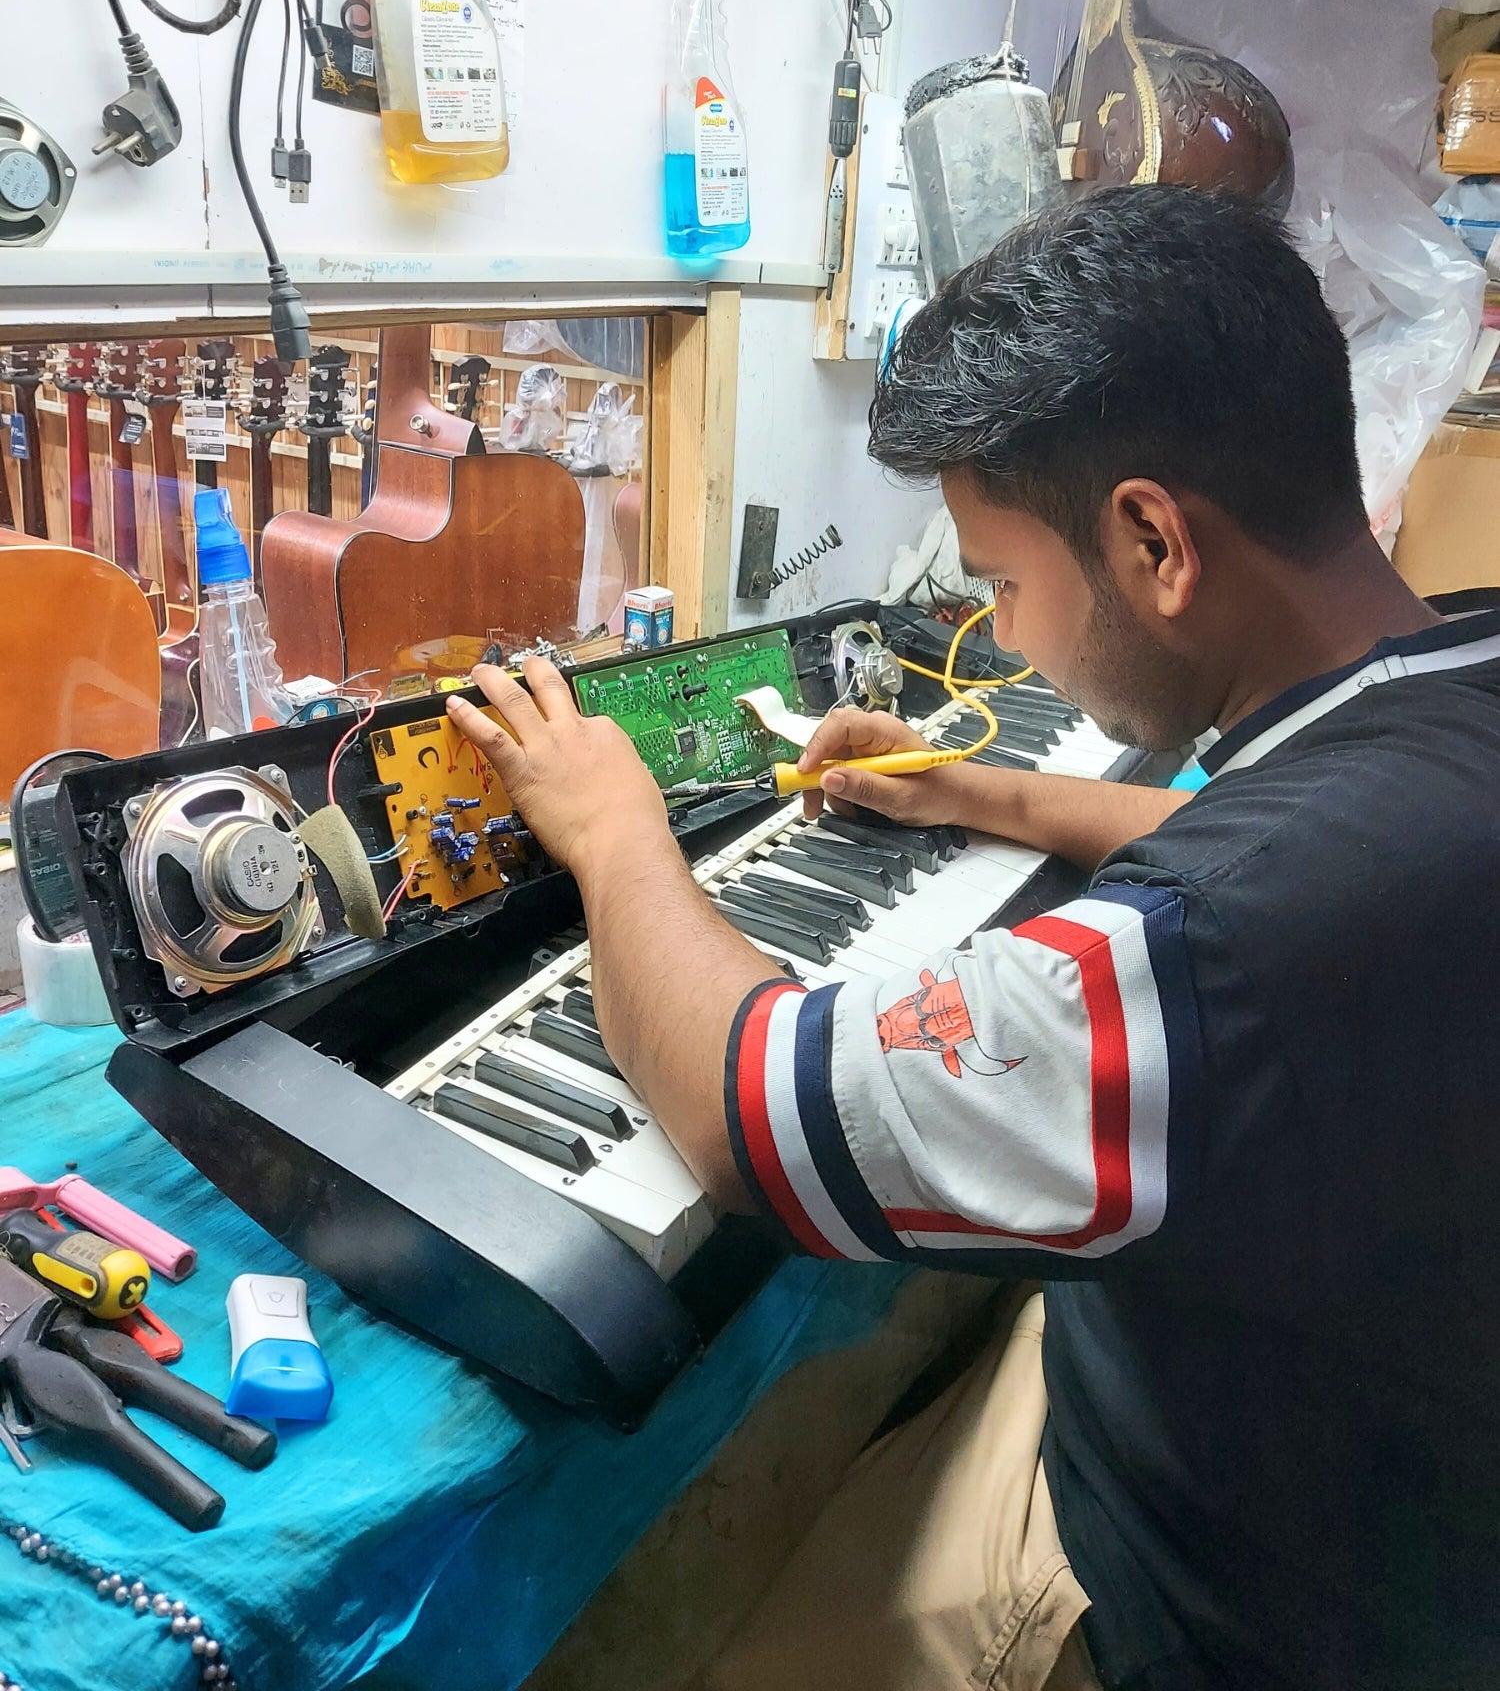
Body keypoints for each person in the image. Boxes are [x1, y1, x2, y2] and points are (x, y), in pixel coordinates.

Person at [447, 186, 1500, 1691]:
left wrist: (609, 824)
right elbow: (1291, 839)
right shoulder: (1449, 671)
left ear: (1154, 541)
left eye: (1004, 584)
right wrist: (976, 786)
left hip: (1216, 1600)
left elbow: (755, 1106)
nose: (999, 637)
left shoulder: (1230, 944)